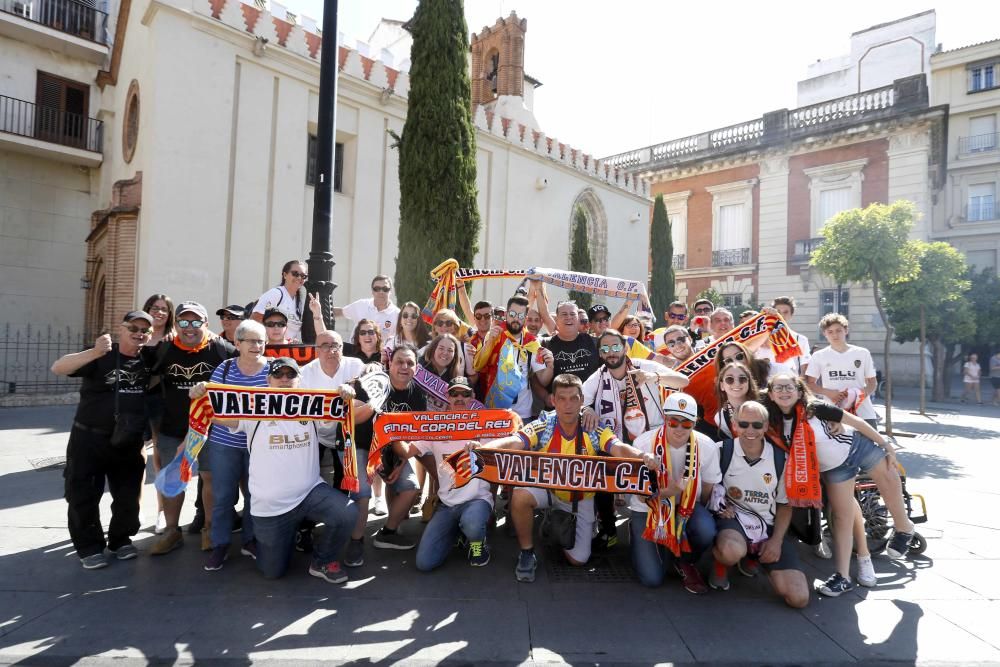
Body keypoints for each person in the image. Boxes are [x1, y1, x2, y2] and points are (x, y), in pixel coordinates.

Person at [477, 374, 659, 582]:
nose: (568, 404)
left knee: (578, 560)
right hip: (548, 491)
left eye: (573, 398)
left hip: (580, 498)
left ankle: (557, 524)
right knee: (519, 495)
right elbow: (515, 441)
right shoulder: (545, 424)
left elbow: (619, 447)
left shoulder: (593, 429)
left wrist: (642, 456)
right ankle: (527, 552)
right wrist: (483, 449)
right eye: (562, 398)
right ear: (553, 400)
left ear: (582, 401)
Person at [193, 358, 358, 582]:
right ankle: (285, 538)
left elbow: (342, 414)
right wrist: (200, 395)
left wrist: (346, 393)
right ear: (268, 380)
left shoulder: (312, 406)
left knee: (347, 512)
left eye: (290, 375)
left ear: (299, 380)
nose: (284, 379)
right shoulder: (252, 407)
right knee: (273, 572)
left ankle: (323, 561)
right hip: (270, 506)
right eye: (278, 375)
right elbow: (214, 415)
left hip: (309, 493)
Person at [762, 373, 916, 597]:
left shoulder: (815, 408)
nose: (785, 392)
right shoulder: (771, 421)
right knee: (841, 517)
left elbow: (857, 422)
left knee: (889, 476)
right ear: (771, 394)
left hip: (856, 446)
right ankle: (842, 577)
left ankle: (904, 528)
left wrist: (887, 446)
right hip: (834, 469)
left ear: (799, 390)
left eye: (789, 387)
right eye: (779, 388)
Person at [51, 311, 154, 569]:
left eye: (145, 330)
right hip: (89, 437)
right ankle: (89, 546)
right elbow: (58, 367)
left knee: (128, 494)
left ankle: (121, 540)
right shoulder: (101, 354)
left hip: (128, 439)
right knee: (83, 493)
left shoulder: (149, 360)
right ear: (122, 328)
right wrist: (94, 352)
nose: (139, 333)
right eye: (134, 327)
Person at [581, 329, 688, 548]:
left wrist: (654, 377)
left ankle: (660, 526)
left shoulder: (644, 366)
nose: (611, 353)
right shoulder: (598, 377)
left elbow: (683, 380)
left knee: (653, 487)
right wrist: (586, 409)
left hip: (650, 440)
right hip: (618, 442)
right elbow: (579, 399)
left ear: (625, 348)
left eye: (616, 347)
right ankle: (609, 529)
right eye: (606, 349)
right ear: (600, 354)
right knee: (601, 465)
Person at [145, 301, 236, 555]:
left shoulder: (221, 349)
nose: (189, 327)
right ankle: (173, 531)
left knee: (211, 477)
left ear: (205, 324)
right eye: (183, 322)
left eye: (196, 322)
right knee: (174, 477)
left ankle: (209, 528)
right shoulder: (165, 349)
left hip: (211, 428)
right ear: (176, 324)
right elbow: (145, 376)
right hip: (172, 426)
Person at [708, 401, 810, 608]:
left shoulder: (781, 458)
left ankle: (753, 558)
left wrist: (777, 541)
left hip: (768, 526)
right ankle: (722, 562)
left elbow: (785, 505)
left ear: (765, 426)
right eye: (744, 424)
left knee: (799, 598)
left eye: (757, 425)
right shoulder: (721, 451)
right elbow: (706, 489)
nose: (750, 430)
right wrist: (718, 505)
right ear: (735, 425)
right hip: (734, 522)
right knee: (730, 551)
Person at [391, 377, 495, 570]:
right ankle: (457, 532)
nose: (459, 398)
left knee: (472, 524)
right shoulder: (436, 426)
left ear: (472, 397)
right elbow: (406, 451)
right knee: (424, 564)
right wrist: (392, 428)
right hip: (447, 504)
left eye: (465, 394)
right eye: (454, 393)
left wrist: (482, 447)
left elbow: (503, 451)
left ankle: (477, 543)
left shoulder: (484, 425)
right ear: (447, 396)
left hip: (476, 500)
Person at [626, 392, 721, 593]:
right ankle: (649, 540)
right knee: (651, 578)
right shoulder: (643, 445)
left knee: (705, 529)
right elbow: (639, 494)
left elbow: (707, 489)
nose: (679, 428)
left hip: (686, 507)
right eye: (673, 421)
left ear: (695, 423)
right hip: (648, 508)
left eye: (686, 423)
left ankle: (685, 560)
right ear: (665, 419)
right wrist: (671, 491)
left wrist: (689, 513)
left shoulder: (706, 446)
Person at [340, 344, 425, 565]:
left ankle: (388, 533)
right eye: (399, 362)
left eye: (410, 363)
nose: (404, 367)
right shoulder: (371, 382)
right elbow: (354, 418)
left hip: (391, 449)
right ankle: (356, 542)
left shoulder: (417, 394)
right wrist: (374, 404)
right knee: (364, 493)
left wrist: (401, 461)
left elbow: (413, 434)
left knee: (410, 487)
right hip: (360, 445)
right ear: (389, 364)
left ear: (416, 368)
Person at [200, 319, 270, 570]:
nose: (257, 345)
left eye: (261, 340)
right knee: (223, 496)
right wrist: (199, 391)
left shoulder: (273, 370)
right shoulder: (225, 369)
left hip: (259, 445)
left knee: (255, 495)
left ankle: (250, 540)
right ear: (237, 343)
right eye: (251, 340)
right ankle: (220, 543)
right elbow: (209, 402)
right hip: (224, 442)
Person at [473, 295, 553, 421]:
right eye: (512, 314)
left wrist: (550, 365)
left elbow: (543, 379)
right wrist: (489, 343)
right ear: (506, 314)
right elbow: (478, 365)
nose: (516, 319)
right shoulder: (495, 334)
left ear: (525, 319)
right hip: (496, 408)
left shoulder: (532, 343)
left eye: (520, 316)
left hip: (522, 413)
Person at [805, 314, 878, 426]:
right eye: (830, 332)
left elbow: (872, 382)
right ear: (824, 334)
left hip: (864, 414)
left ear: (846, 330)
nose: (835, 335)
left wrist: (860, 395)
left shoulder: (862, 353)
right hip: (834, 414)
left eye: (839, 330)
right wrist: (828, 392)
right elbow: (810, 384)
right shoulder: (819, 356)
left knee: (870, 443)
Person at [141, 293, 174, 534]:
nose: (159, 312)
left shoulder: (173, 339)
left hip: (161, 401)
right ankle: (134, 511)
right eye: (155, 307)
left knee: (160, 457)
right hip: (134, 401)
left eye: (164, 309)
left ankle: (162, 511)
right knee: (136, 457)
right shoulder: (139, 334)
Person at [540, 302, 599, 406]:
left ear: (578, 319)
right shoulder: (545, 344)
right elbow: (533, 378)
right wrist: (545, 396)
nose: (569, 317)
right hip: (559, 408)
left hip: (592, 407)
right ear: (557, 319)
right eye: (564, 314)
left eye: (572, 314)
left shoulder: (595, 342)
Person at [251, 260, 317, 342]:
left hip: (288, 351)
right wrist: (266, 342)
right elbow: (254, 320)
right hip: (270, 350)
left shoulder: (300, 302)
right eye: (295, 274)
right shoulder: (276, 294)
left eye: (303, 276)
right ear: (285, 275)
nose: (299, 278)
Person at [755, 297, 811, 379]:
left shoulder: (801, 339)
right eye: (778, 312)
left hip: (790, 385)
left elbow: (804, 370)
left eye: (786, 312)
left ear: (791, 315)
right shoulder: (761, 337)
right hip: (763, 384)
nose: (782, 315)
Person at [333, 274, 401, 340]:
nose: (381, 292)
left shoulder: (397, 314)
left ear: (390, 291)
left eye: (385, 289)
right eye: (377, 288)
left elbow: (398, 340)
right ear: (372, 291)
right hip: (355, 349)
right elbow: (339, 312)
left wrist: (387, 352)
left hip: (380, 351)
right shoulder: (361, 305)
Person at [714, 362, 761, 438]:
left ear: (749, 383)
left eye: (742, 379)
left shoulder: (765, 402)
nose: (737, 383)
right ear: (722, 386)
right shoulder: (721, 418)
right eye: (729, 379)